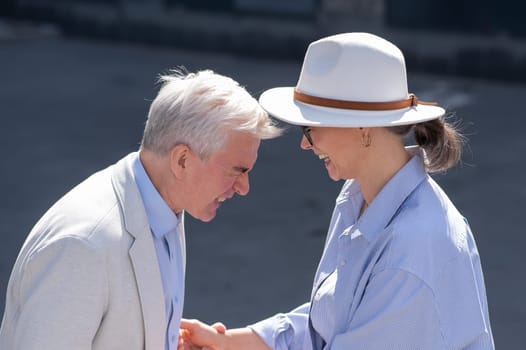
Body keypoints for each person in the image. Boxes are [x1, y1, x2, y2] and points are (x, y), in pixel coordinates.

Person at [179, 33, 495, 349]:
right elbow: (333, 322)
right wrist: (228, 342)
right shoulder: (358, 197)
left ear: (362, 130)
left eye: (310, 128)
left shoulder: (412, 248)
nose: (305, 143)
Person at [0, 69, 281, 350]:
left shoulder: (165, 206)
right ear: (182, 160)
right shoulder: (82, 246)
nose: (244, 188)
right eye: (236, 171)